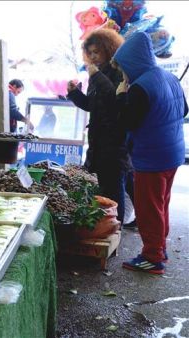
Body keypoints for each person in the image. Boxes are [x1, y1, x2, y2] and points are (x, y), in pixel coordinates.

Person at [113, 32, 187, 274]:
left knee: (148, 209)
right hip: (173, 153)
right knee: (161, 204)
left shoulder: (140, 87)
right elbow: (184, 109)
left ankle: (152, 257)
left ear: (132, 63)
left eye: (123, 68)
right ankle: (160, 247)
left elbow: (126, 123)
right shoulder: (170, 77)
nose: (123, 75)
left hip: (152, 158)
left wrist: (122, 97)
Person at [66, 28, 133, 227]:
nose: (93, 56)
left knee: (114, 188)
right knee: (105, 186)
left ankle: (115, 229)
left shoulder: (119, 72)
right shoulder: (97, 75)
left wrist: (95, 75)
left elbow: (115, 100)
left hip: (115, 143)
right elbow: (91, 105)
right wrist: (74, 94)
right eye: (90, 53)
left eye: (97, 52)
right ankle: (108, 226)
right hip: (98, 142)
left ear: (109, 49)